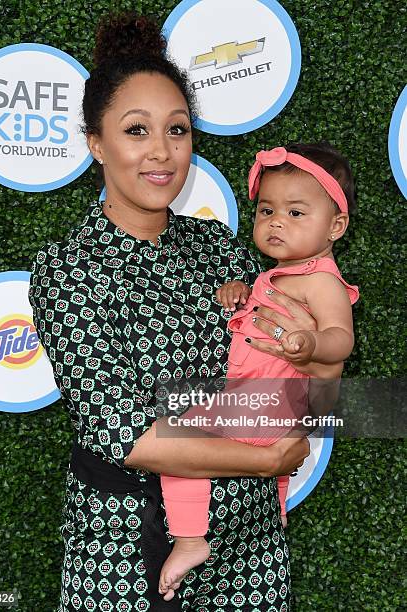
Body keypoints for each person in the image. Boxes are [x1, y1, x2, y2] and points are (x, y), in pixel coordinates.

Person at [28, 13, 313, 612]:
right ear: (96, 143)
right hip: (133, 551)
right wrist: (271, 458)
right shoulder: (71, 267)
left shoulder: (218, 249)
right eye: (137, 130)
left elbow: (276, 374)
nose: (161, 152)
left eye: (177, 130)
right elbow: (124, 434)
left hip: (250, 548)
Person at [158, 143, 359, 600]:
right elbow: (256, 312)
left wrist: (310, 345)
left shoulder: (321, 279)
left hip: (271, 399)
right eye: (267, 210)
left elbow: (340, 338)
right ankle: (278, 508)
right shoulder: (279, 274)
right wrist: (238, 290)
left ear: (336, 227)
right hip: (266, 400)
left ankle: (190, 539)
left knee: (182, 437)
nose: (276, 222)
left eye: (295, 212)